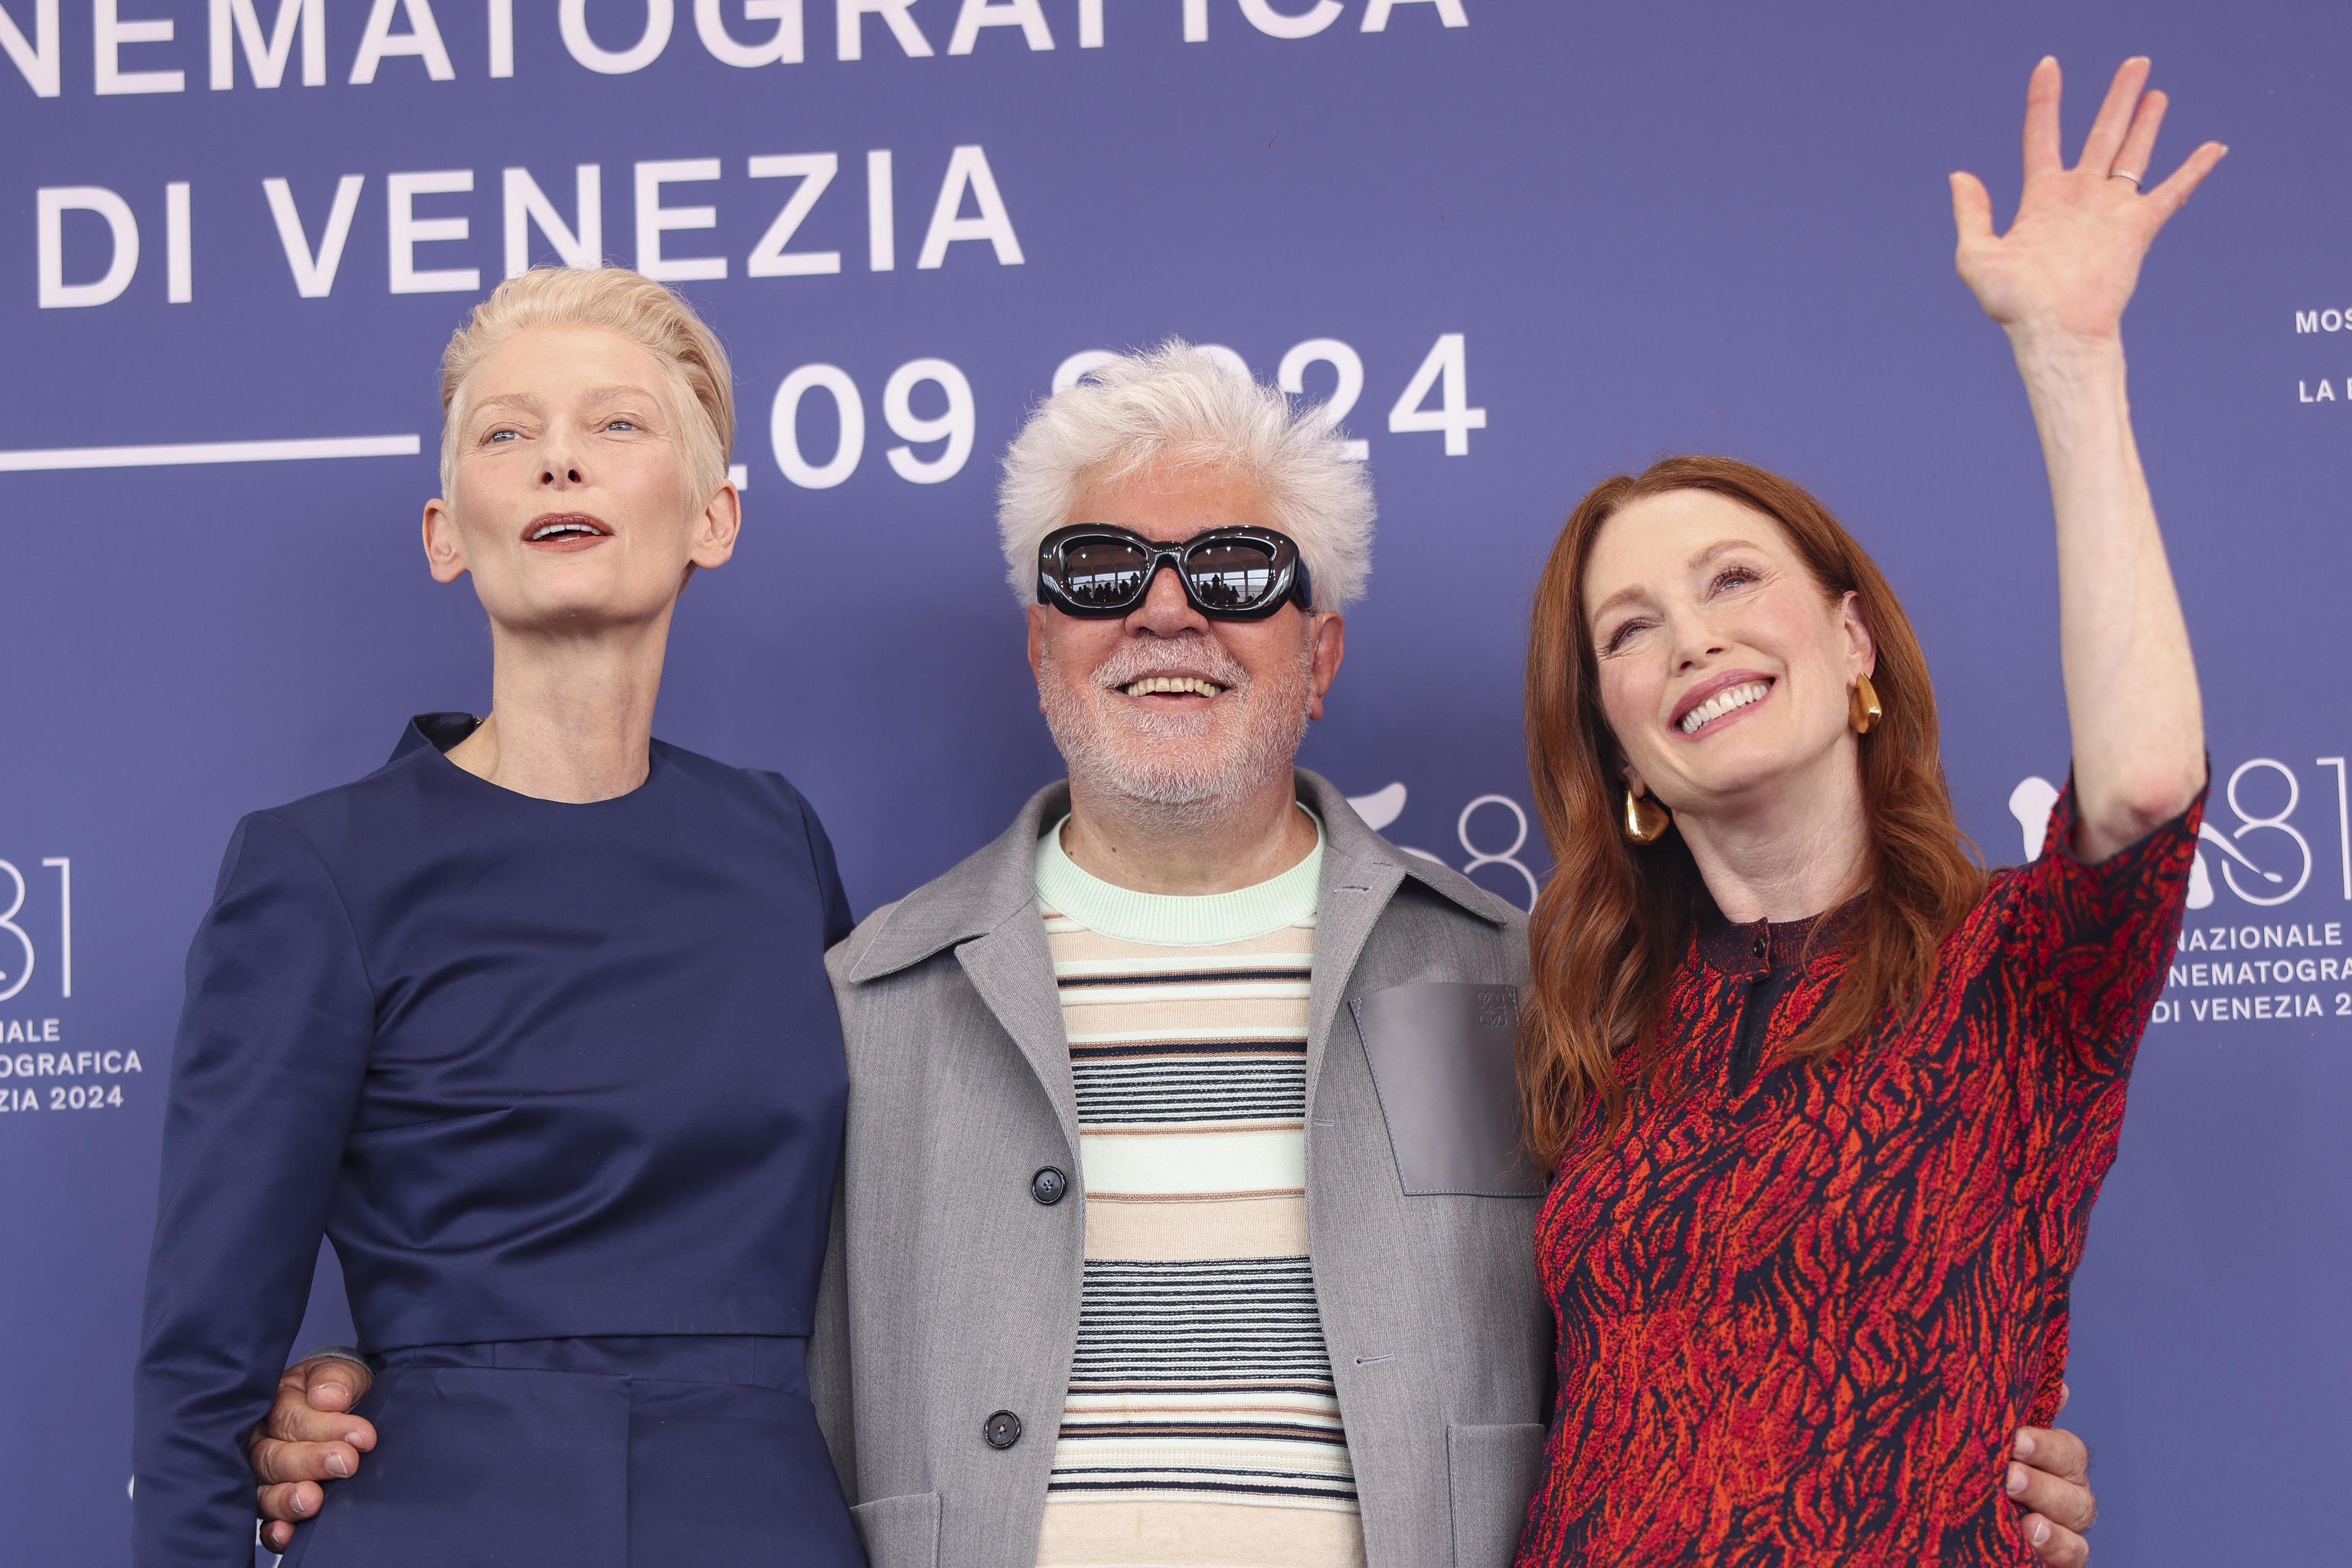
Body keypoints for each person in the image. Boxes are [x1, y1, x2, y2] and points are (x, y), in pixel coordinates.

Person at [247, 345, 2103, 1566]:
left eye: (1232, 576)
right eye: (1093, 576)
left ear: (1320, 650)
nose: (1160, 616)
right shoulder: (860, 996)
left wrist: (1957, 1454)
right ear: (1035, 642)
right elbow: (669, 1299)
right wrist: (374, 1409)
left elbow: (1716, 1297)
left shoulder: (1528, 986)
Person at [1511, 58, 2217, 1566]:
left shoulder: (2027, 969)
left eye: (1730, 581)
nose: (1689, 639)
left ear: (1850, 646)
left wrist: (2070, 356)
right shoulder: (1604, 1029)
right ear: (1621, 745)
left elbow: (2148, 784)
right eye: (1626, 630)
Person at [131, 267, 866, 1566]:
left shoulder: (777, 841)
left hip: (767, 1520)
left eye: (617, 426)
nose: (558, 465)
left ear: (715, 517)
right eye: (507, 434)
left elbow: (873, 1257)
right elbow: (204, 1372)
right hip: (439, 1521)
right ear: (443, 530)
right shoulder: (317, 869)